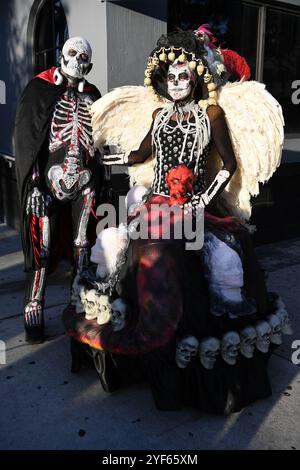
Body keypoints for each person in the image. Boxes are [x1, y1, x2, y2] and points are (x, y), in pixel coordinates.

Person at [63, 29, 289, 413]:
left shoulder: (211, 114)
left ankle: (193, 338)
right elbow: (141, 152)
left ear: (197, 77)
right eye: (171, 77)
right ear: (162, 81)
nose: (177, 82)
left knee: (220, 262)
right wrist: (107, 159)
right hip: (157, 202)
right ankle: (134, 327)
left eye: (184, 76)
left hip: (198, 203)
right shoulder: (159, 114)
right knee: (120, 242)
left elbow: (229, 165)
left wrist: (201, 200)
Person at [14, 37, 103, 344]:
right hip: (50, 178)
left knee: (83, 244)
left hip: (85, 180)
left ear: (90, 65)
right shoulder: (40, 89)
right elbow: (29, 141)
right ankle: (34, 305)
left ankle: (78, 302)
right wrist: (35, 184)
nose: (78, 59)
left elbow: (99, 140)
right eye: (73, 53)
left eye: (84, 56)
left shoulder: (93, 94)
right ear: (61, 56)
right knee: (44, 244)